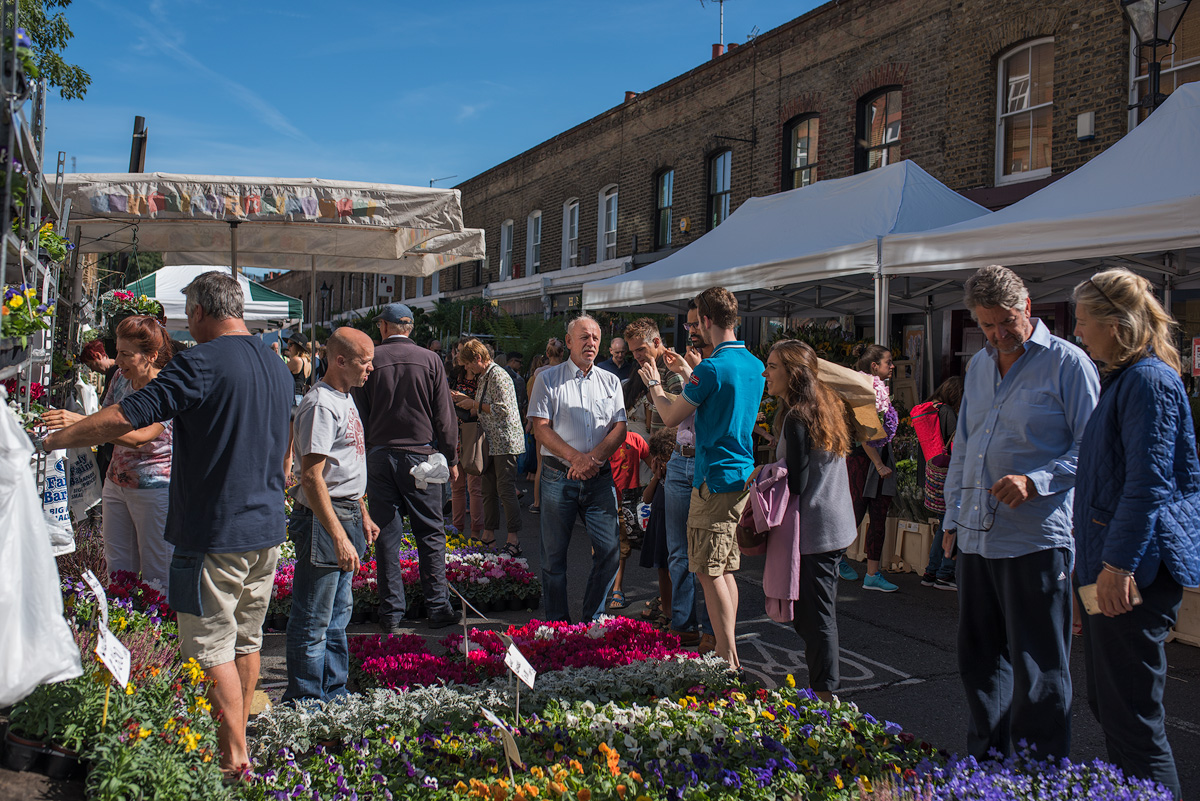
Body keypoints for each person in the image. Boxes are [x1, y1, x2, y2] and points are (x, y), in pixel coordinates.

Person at [41, 270, 293, 775]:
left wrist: (54, 440)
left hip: (214, 529)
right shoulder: (275, 364)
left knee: (209, 645)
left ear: (199, 312)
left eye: (188, 314)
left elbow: (129, 416)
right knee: (246, 640)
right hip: (264, 529)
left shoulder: (201, 361)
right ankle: (241, 742)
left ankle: (232, 758)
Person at [942, 264, 1099, 762]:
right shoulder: (981, 366)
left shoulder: (1069, 365)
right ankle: (987, 768)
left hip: (1036, 539)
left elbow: (1091, 450)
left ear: (1027, 306)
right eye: (987, 325)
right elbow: (964, 447)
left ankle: (1039, 773)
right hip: (976, 536)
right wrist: (951, 518)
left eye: (1006, 321)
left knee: (1039, 668)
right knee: (980, 660)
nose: (998, 334)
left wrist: (1037, 480)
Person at [1071, 268, 1200, 799]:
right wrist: (1090, 580)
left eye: (1082, 323)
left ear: (1116, 325)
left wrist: (1115, 568)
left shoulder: (1148, 381)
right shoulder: (1128, 379)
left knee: (1133, 719)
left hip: (1130, 574)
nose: (1078, 334)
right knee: (1111, 705)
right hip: (1112, 569)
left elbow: (1148, 485)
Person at [639, 287, 764, 669]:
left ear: (707, 321)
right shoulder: (755, 364)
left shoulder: (712, 367)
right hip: (740, 474)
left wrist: (655, 385)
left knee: (709, 571)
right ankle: (729, 652)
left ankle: (727, 658)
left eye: (697, 322)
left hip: (712, 477)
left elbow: (671, 416)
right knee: (724, 569)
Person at [44, 316, 176, 590]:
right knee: (117, 569)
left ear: (151, 356)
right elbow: (104, 419)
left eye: (126, 354)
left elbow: (140, 438)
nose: (118, 360)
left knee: (158, 572)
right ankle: (121, 623)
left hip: (154, 489)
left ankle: (162, 628)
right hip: (115, 484)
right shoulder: (119, 377)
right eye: (117, 352)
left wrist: (79, 423)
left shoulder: (166, 388)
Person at [759, 340, 858, 702]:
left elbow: (797, 481)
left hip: (817, 527)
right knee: (813, 611)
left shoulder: (797, 416)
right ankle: (823, 687)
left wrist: (763, 470)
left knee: (815, 615)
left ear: (792, 373)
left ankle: (826, 694)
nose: (766, 373)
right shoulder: (823, 404)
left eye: (772, 366)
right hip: (833, 523)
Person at [284, 328, 380, 703]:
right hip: (326, 519)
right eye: (364, 361)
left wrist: (362, 509)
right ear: (339, 360)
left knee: (337, 615)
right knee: (314, 618)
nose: (371, 368)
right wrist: (338, 533)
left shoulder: (343, 397)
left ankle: (333, 692)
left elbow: (344, 467)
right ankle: (306, 700)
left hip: (345, 512)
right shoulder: (322, 403)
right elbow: (311, 477)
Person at [354, 303, 460, 631]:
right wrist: (452, 458)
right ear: (410, 328)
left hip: (381, 456)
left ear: (385, 327)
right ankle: (438, 608)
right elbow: (445, 415)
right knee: (430, 532)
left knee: (387, 535)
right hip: (422, 456)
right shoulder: (431, 360)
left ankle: (391, 612)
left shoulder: (372, 361)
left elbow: (361, 412)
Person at [527, 315, 628, 622]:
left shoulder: (610, 381)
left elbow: (619, 427)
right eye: (584, 337)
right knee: (553, 557)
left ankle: (592, 618)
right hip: (559, 476)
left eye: (596, 338)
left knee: (610, 550)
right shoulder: (547, 379)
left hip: (598, 477)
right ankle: (558, 624)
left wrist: (592, 459)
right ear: (568, 341)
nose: (591, 343)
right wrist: (575, 458)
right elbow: (540, 428)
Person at [451, 338, 525, 556]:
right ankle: (488, 536)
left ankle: (514, 540)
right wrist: (468, 401)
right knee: (488, 491)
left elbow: (504, 409)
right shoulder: (486, 375)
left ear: (478, 358)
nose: (466, 369)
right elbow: (487, 407)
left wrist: (473, 404)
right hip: (492, 442)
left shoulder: (498, 375)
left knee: (505, 491)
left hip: (504, 442)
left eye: (467, 364)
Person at [841, 343, 900, 592]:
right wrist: (878, 464)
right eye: (888, 362)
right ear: (874, 366)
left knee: (878, 518)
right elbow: (864, 434)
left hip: (878, 460)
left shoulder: (878, 391)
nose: (893, 366)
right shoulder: (863, 392)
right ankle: (833, 559)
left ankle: (872, 574)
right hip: (864, 462)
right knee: (854, 514)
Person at [916, 376, 964, 590]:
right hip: (948, 475)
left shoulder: (931, 409)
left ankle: (931, 572)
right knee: (950, 526)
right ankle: (944, 573)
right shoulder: (948, 412)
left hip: (932, 473)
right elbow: (955, 442)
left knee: (942, 525)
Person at [607, 427, 650, 611]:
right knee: (602, 547)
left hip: (627, 501)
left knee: (622, 547)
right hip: (604, 499)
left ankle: (617, 588)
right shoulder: (601, 440)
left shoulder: (635, 439)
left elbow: (651, 461)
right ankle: (602, 587)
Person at [638, 428, 677, 631]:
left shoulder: (678, 476)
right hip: (659, 521)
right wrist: (655, 476)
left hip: (673, 521)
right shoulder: (659, 479)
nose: (661, 462)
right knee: (662, 568)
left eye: (664, 458)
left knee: (675, 568)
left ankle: (675, 610)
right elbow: (646, 498)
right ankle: (667, 609)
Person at [527, 339, 565, 513]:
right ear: (563, 353)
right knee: (562, 462)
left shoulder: (539, 372)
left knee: (541, 463)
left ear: (547, 354)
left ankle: (537, 502)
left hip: (542, 421)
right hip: (561, 421)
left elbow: (534, 399)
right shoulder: (567, 371)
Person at [286, 332, 316, 406]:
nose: (288, 348)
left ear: (297, 346)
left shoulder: (297, 361)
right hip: (299, 397)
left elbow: (280, 372)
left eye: (290, 344)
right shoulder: (307, 361)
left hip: (293, 397)